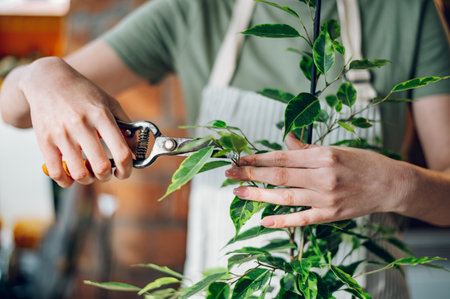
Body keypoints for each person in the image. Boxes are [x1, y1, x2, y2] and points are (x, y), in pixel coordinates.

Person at [1, 0, 449, 297]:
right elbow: (12, 109)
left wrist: (398, 182)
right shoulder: (195, 8)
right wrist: (41, 75)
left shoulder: (407, 10)